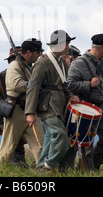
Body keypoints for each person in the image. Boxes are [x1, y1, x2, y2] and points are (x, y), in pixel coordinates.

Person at [25, 30, 78, 171]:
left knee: (50, 137)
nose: (68, 46)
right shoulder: (42, 63)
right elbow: (33, 87)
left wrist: (71, 95)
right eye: (66, 43)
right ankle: (50, 166)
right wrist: (30, 112)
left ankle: (42, 166)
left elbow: (65, 84)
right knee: (60, 136)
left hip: (60, 104)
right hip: (47, 105)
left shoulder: (61, 62)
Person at [66, 33, 103, 169]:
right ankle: (86, 169)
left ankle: (91, 165)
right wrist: (88, 84)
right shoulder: (79, 63)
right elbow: (69, 85)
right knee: (86, 144)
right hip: (85, 107)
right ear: (101, 47)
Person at [0, 39, 45, 167]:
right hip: (16, 110)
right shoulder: (15, 65)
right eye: (37, 52)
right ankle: (0, 172)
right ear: (28, 52)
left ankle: (42, 170)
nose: (39, 55)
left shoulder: (30, 67)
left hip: (30, 110)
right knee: (8, 147)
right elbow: (15, 84)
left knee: (41, 144)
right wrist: (35, 85)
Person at [0, 46, 28, 167]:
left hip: (23, 110)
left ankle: (21, 162)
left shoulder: (26, 74)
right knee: (10, 142)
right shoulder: (1, 76)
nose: (14, 60)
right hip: (8, 111)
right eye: (12, 58)